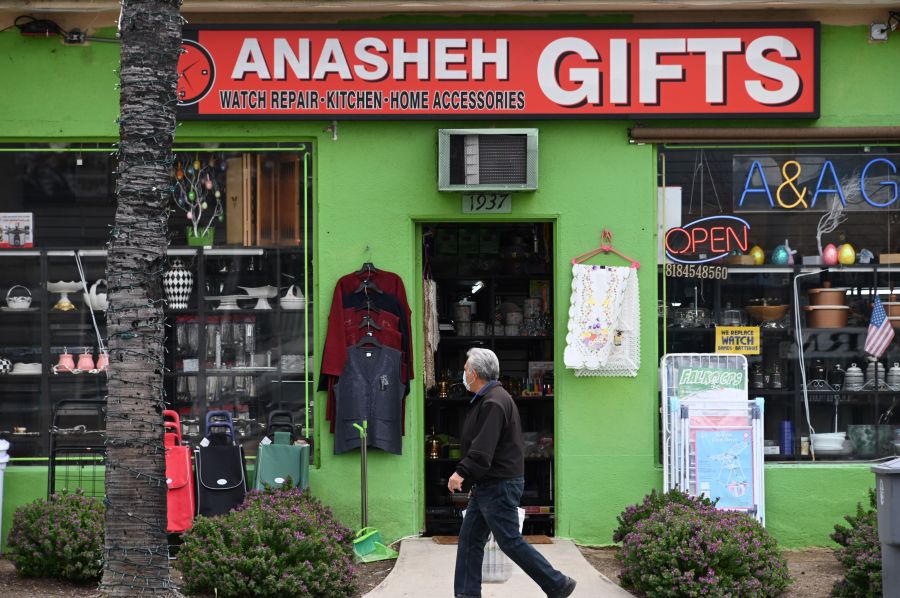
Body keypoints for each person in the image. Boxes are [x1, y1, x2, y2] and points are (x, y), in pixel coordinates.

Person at [449, 348, 576, 598]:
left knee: (509, 541)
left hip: (498, 485)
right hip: (490, 485)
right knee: (470, 541)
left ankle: (557, 584)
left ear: (474, 374)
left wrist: (461, 472)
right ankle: (466, 594)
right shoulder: (491, 398)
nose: (463, 375)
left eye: (465, 370)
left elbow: (483, 449)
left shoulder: (494, 402)